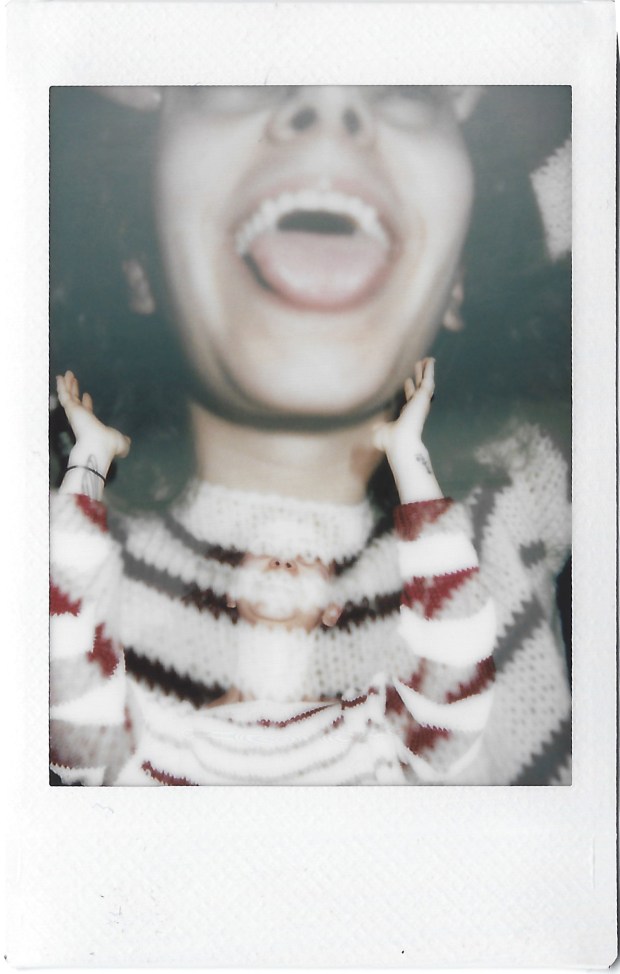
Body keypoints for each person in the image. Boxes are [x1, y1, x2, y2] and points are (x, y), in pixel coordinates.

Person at [49, 85, 572, 786]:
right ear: (136, 262)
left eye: (408, 88)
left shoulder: (515, 486)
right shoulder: (42, 535)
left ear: (460, 281)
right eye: (235, 74)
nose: (329, 107)